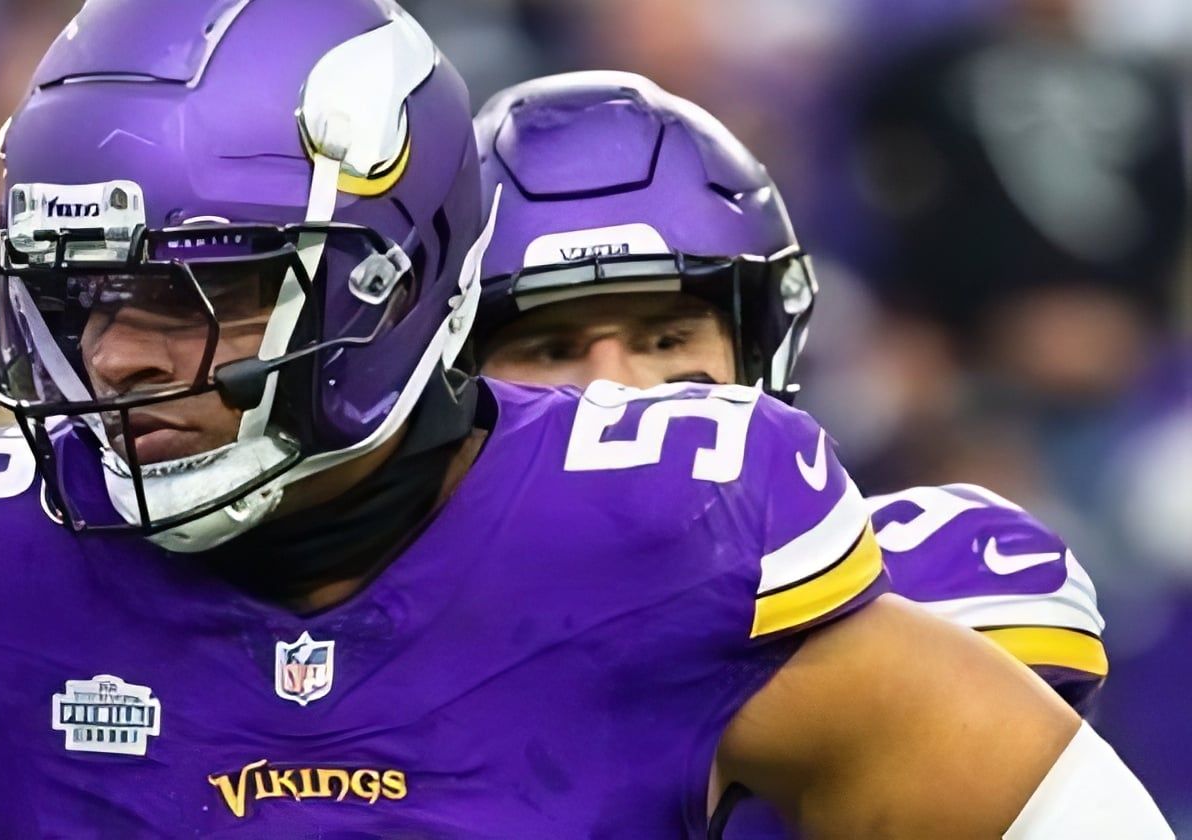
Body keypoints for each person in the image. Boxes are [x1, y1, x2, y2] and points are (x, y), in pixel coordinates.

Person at [0, 3, 1167, 837]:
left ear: (396, 282)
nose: (119, 358)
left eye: (210, 290)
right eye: (82, 293)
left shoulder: (671, 529)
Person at [468, 71, 1126, 835]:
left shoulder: (918, 583)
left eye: (666, 340)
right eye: (552, 349)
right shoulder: (361, 615)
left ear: (760, 354)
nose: (613, 393)